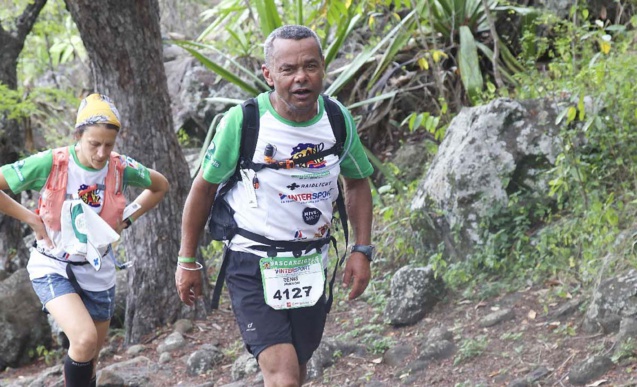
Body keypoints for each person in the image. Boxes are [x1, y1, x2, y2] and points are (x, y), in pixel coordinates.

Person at [175, 25, 374, 387]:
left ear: (323, 68)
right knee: (282, 374)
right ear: (269, 74)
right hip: (252, 261)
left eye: (310, 66)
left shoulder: (336, 119)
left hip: (311, 262)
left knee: (296, 366)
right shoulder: (245, 121)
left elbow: (357, 182)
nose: (301, 78)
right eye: (288, 69)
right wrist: (187, 259)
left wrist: (361, 249)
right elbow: (202, 189)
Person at [0, 93, 169, 387]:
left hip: (97, 267)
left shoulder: (120, 167)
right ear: (78, 135)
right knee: (84, 339)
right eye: (94, 144)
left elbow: (159, 186)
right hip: (52, 265)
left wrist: (127, 218)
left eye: (109, 145)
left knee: (90, 354)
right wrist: (30, 217)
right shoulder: (51, 163)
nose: (102, 153)